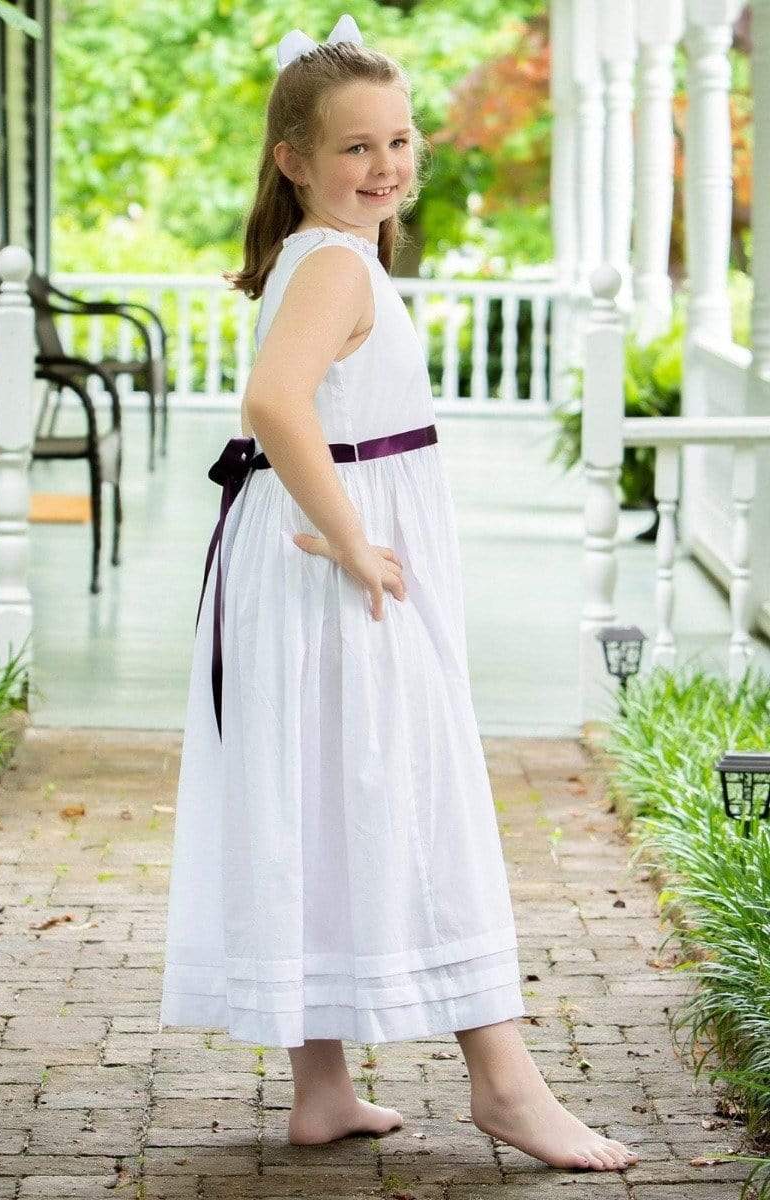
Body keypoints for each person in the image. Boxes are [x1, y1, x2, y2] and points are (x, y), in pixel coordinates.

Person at [159, 12, 639, 1174]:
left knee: (322, 794)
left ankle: (320, 1087)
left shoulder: (326, 256)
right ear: (293, 161)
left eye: (398, 140)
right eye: (354, 148)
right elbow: (274, 404)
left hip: (305, 558)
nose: (384, 167)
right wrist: (353, 541)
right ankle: (503, 1083)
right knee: (416, 792)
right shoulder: (332, 263)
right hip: (334, 563)